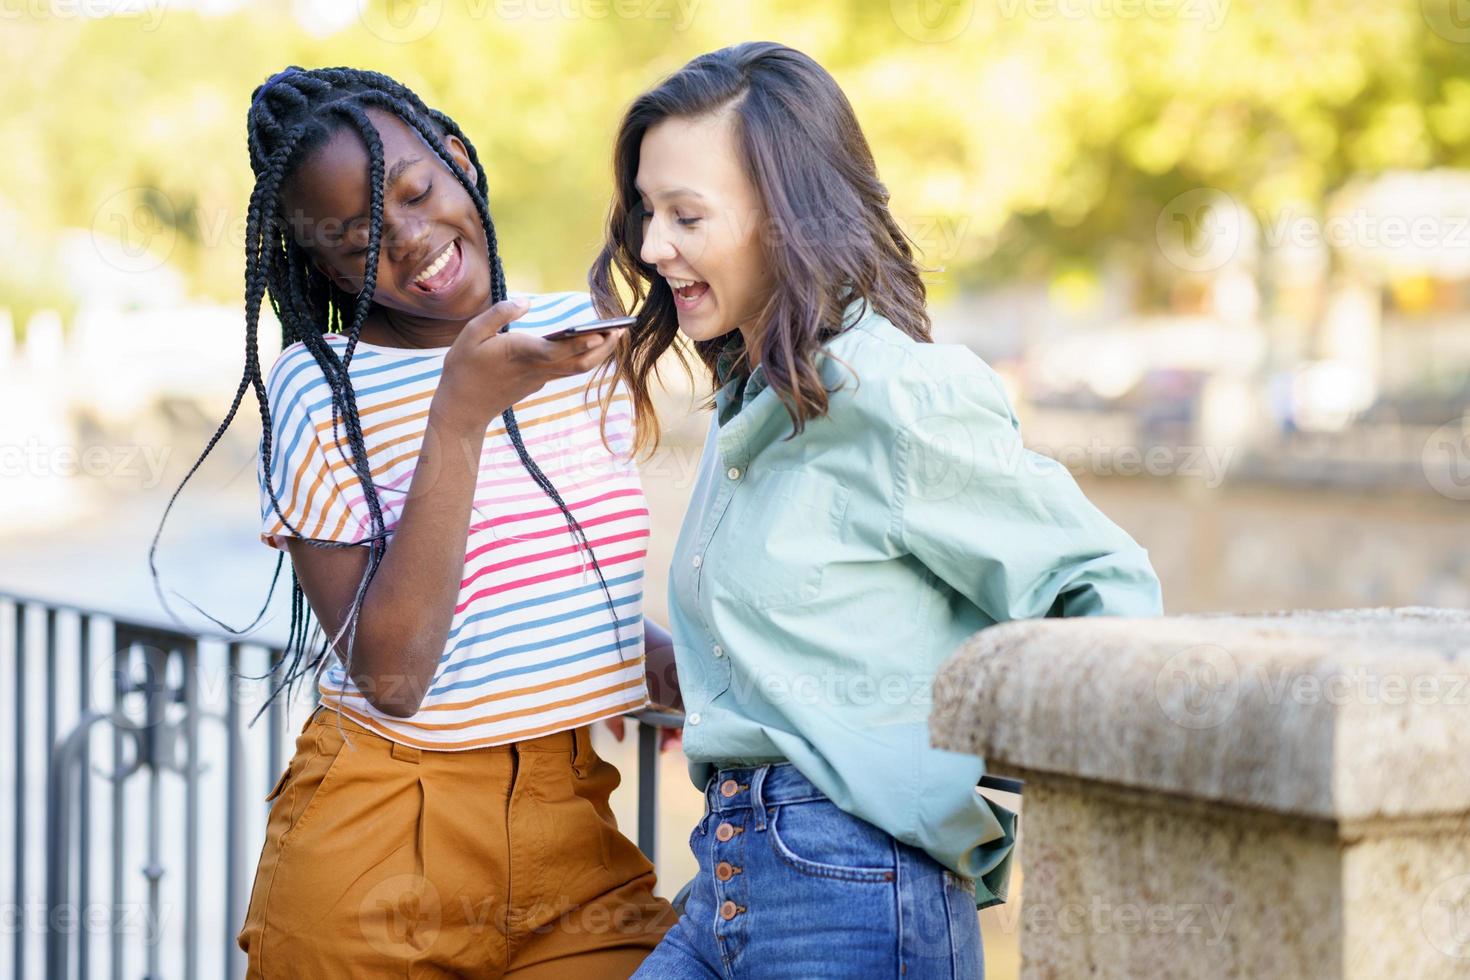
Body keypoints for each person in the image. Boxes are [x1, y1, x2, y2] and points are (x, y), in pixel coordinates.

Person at [587, 43, 1165, 978]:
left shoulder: (894, 393)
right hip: (733, 881)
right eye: (649, 212)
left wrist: (1111, 824)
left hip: (853, 894)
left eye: (686, 214)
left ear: (786, 217)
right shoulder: (756, 401)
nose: (652, 246)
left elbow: (1099, 581)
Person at [154, 65, 677, 978]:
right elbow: (391, 673)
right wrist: (459, 415)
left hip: (573, 836)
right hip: (379, 846)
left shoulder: (581, 340)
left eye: (416, 190)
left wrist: (642, 655)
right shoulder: (322, 392)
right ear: (321, 266)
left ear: (459, 160)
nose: (409, 238)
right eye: (356, 237)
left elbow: (526, 577)